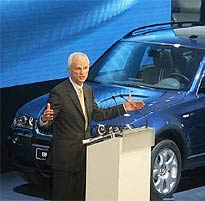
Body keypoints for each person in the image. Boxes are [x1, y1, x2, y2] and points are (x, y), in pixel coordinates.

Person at [39, 52, 145, 200]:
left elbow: (97, 114)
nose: (82, 72)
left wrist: (125, 108)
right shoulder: (59, 92)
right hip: (65, 159)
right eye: (78, 69)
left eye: (85, 68)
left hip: (83, 157)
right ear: (69, 70)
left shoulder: (88, 91)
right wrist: (44, 119)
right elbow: (46, 124)